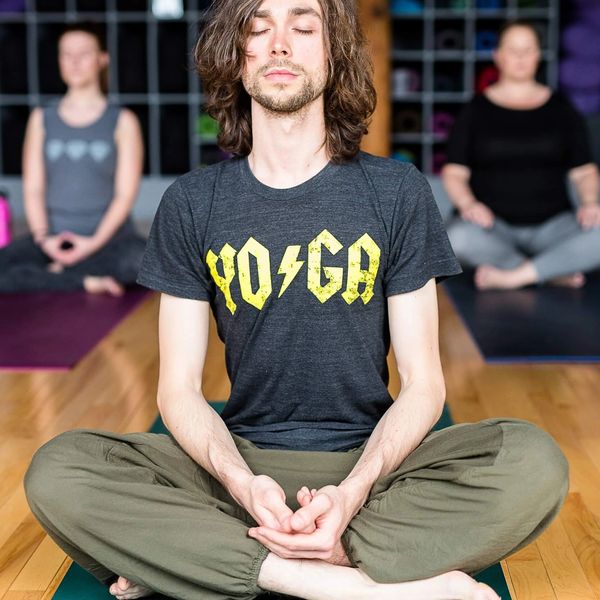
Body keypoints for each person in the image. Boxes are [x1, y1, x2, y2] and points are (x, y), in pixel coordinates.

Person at [24, 2, 568, 600]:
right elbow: (176, 390)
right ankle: (338, 581)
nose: (280, 43)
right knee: (61, 469)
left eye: (303, 27)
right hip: (239, 467)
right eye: (259, 29)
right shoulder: (191, 203)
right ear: (237, 54)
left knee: (532, 460)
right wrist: (239, 482)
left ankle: (196, 557)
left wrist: (355, 490)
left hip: (373, 467)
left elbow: (423, 385)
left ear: (332, 53)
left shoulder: (398, 193)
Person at [442, 20, 600, 290]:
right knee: (456, 238)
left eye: (528, 50)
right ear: (498, 56)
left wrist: (589, 202)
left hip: (554, 226)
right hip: (494, 227)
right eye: (513, 50)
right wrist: (469, 204)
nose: (520, 58)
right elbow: (454, 172)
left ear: (538, 56)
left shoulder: (562, 109)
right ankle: (550, 272)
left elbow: (584, 171)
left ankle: (514, 276)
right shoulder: (475, 111)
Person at [0, 22, 145, 296]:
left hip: (108, 241)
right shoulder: (41, 119)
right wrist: (44, 240)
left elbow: (124, 196)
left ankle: (55, 274)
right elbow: (33, 188)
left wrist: (90, 245)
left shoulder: (123, 121)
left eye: (84, 53)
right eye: (66, 54)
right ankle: (83, 280)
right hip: (52, 239)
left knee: (140, 261)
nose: (74, 62)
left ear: (103, 59)